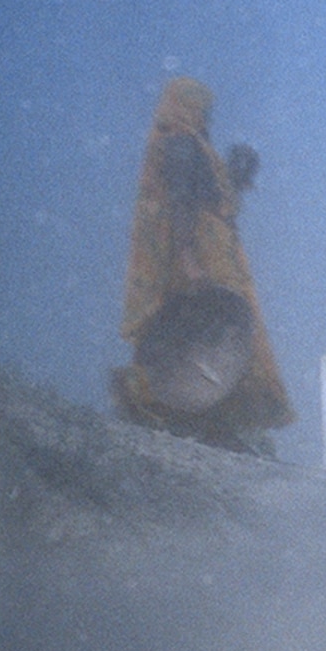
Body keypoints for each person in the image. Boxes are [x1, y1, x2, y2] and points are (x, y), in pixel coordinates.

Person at [111, 78, 293, 455]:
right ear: (186, 105)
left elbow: (213, 195)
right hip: (201, 256)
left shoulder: (194, 146)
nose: (207, 115)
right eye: (202, 108)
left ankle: (208, 422)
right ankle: (152, 403)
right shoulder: (180, 144)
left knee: (220, 336)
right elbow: (181, 203)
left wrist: (235, 176)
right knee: (202, 332)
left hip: (216, 253)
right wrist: (189, 260)